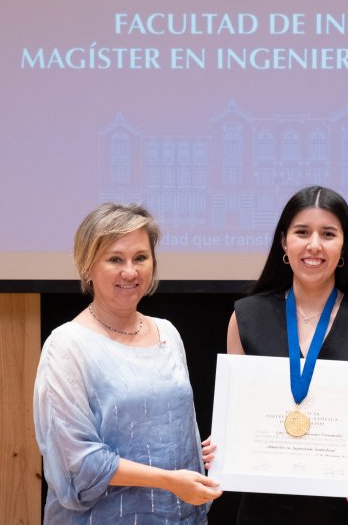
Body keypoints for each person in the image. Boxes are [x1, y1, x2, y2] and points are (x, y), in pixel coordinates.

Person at [225, 185, 348, 525]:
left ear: (344, 245)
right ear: (284, 242)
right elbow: (238, 413)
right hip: (266, 510)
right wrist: (225, 442)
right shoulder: (246, 317)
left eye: (328, 234)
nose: (314, 245)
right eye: (302, 232)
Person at [33, 202, 222, 524]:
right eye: (115, 259)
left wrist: (200, 452)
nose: (131, 272)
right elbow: (78, 462)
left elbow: (179, 430)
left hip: (179, 514)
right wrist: (168, 480)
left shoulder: (167, 333)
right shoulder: (66, 346)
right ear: (87, 266)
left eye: (141, 258)